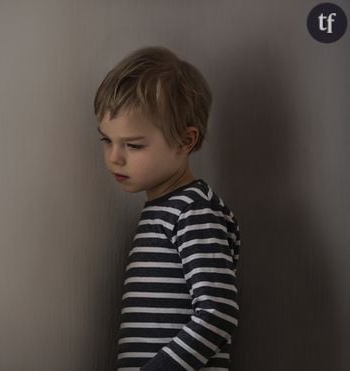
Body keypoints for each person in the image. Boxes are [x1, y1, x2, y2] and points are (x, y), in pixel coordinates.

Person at [94, 46, 241, 371]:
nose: (114, 157)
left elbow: (218, 312)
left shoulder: (194, 211)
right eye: (107, 140)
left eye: (133, 145)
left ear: (185, 141)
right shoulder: (162, 211)